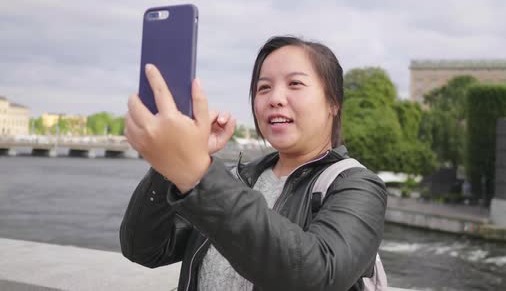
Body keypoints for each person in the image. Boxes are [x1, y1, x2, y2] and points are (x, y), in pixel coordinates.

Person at [120, 36, 388, 291]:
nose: (275, 99)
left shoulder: (357, 186)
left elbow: (318, 276)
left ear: (333, 103)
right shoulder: (238, 180)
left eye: (295, 84)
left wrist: (198, 172)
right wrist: (171, 164)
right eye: (264, 87)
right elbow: (144, 248)